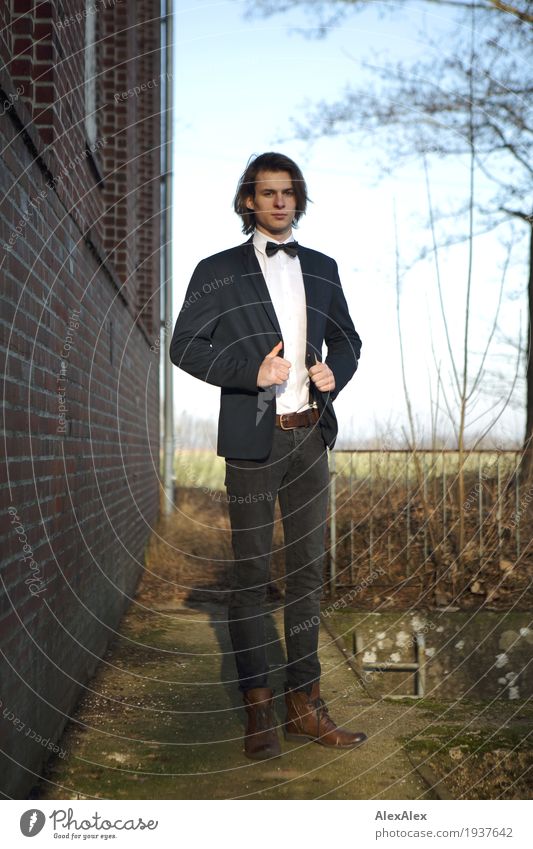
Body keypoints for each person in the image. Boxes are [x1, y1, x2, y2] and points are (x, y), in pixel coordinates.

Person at [170, 151, 366, 760]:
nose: (279, 201)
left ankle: (304, 704)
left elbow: (351, 341)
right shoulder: (218, 270)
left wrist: (339, 371)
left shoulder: (326, 269)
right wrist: (249, 370)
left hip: (311, 436)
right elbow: (183, 346)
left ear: (298, 200)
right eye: (267, 192)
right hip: (255, 439)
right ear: (248, 201)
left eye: (288, 192)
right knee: (253, 578)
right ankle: (258, 709)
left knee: (307, 576)